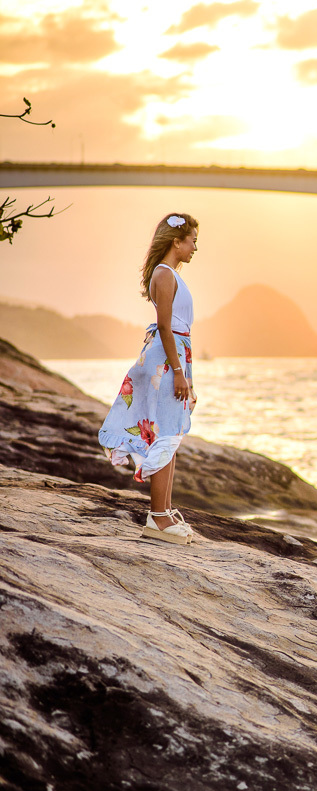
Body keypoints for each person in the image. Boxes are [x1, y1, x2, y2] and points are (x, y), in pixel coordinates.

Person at [99, 213, 200, 545]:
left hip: (172, 357)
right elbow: (167, 329)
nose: (195, 248)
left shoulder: (169, 274)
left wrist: (186, 375)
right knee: (165, 435)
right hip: (165, 361)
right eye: (192, 241)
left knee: (169, 434)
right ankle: (157, 517)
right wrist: (180, 373)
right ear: (176, 241)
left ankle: (166, 512)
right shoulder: (165, 274)